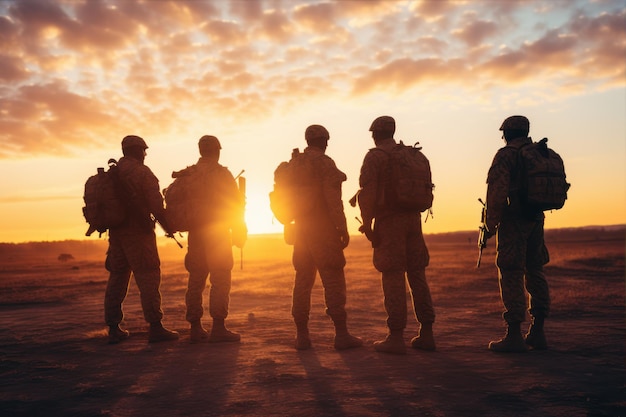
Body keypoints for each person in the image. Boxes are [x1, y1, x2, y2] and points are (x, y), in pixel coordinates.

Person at [357, 116, 436, 355]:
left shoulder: (375, 156)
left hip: (389, 221)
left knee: (392, 275)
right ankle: (427, 332)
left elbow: (368, 193)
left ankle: (396, 336)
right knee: (417, 274)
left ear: (374, 134)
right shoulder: (413, 155)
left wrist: (368, 224)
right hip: (413, 220)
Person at [290, 125, 363, 351]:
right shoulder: (325, 162)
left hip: (300, 229)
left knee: (303, 281)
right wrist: (342, 228)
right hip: (322, 229)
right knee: (332, 279)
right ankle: (341, 334)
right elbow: (333, 200)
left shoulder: (294, 164)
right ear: (323, 140)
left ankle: (302, 336)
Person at [105, 135, 179, 344]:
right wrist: (170, 227)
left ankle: (113, 327)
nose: (145, 154)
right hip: (138, 233)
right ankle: (155, 327)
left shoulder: (113, 173)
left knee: (117, 277)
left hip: (116, 234)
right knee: (148, 276)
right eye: (144, 150)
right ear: (137, 151)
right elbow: (156, 206)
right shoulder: (142, 172)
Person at [485, 115, 550, 353]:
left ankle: (513, 335)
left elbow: (497, 193)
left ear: (508, 134)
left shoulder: (507, 155)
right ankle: (538, 331)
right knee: (535, 270)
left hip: (513, 221)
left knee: (511, 271)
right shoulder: (539, 153)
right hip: (536, 218)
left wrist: (490, 225)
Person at [184, 135, 247, 343]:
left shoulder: (189, 174)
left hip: (195, 234)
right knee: (220, 279)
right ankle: (218, 327)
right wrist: (239, 230)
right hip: (218, 233)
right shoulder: (222, 174)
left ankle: (195, 327)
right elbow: (234, 205)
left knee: (195, 280)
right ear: (217, 151)